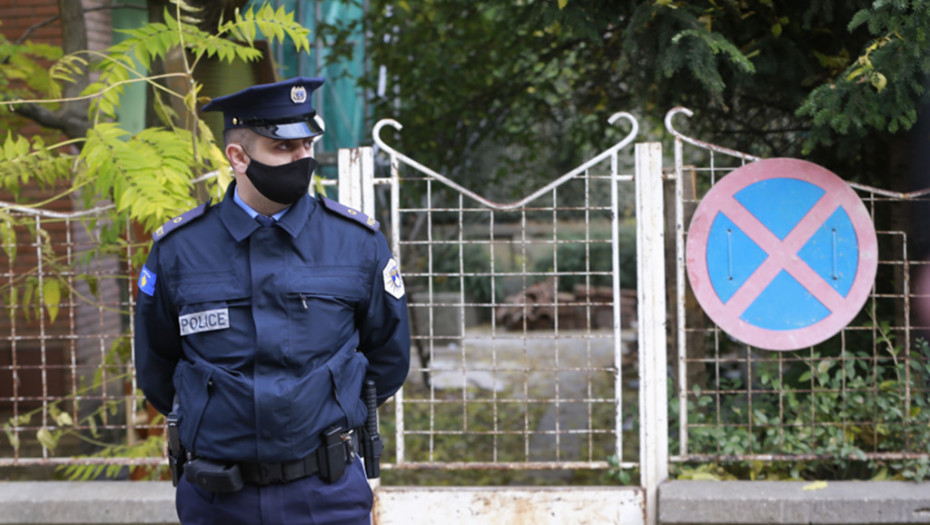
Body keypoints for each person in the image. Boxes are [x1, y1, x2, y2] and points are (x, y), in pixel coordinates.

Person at [134, 76, 411, 525]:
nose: (302, 158)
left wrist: (328, 411)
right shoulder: (180, 250)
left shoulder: (356, 242)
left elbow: (388, 356)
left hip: (328, 494)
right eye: (284, 148)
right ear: (238, 157)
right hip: (217, 497)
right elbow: (157, 365)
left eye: (307, 145)